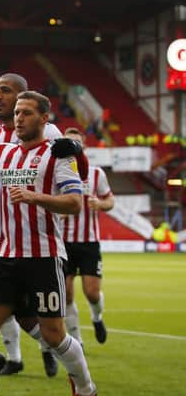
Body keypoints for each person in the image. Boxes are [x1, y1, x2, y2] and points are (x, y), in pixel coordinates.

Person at [0, 90, 98, 396]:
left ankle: (86, 389)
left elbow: (75, 203)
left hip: (44, 258)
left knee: (53, 334)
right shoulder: (3, 152)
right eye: (17, 113)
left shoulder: (58, 154)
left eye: (27, 113)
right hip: (6, 256)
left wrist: (37, 197)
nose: (19, 118)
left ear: (44, 119)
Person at [0, 74, 62, 380]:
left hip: (30, 238)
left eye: (5, 91)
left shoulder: (51, 133)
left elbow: (72, 170)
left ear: (23, 96)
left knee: (24, 311)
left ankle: (51, 348)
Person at [61, 128, 114, 346]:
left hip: (89, 242)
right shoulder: (56, 171)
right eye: (70, 143)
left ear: (84, 147)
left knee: (92, 293)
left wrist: (100, 204)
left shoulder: (96, 174)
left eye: (77, 144)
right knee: (67, 295)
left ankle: (97, 318)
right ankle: (77, 340)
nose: (74, 147)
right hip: (63, 242)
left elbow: (110, 200)